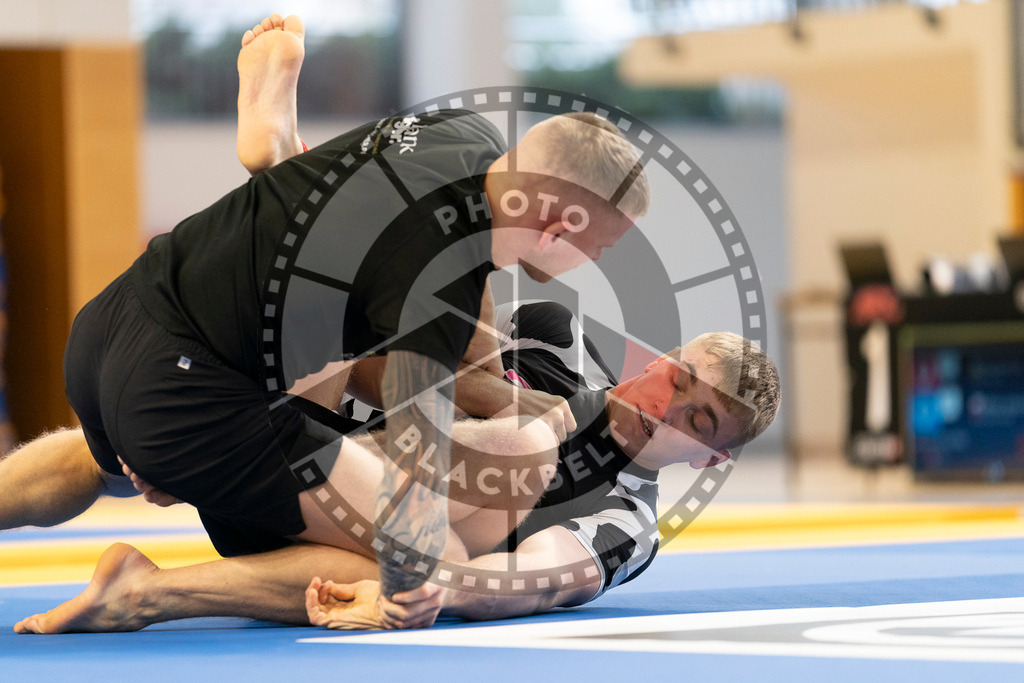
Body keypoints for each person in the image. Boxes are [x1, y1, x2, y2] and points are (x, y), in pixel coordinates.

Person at [1, 12, 649, 624]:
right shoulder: (436, 287)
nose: (595, 260)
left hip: (113, 319)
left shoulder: (465, 134)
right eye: (599, 246)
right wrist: (406, 596)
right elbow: (412, 473)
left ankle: (281, 150)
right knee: (431, 553)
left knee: (113, 453)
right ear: (556, 227)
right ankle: (140, 591)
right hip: (181, 391)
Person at [11, 297, 780, 633]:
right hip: (309, 440)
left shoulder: (627, 520)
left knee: (418, 557)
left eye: (696, 418)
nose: (664, 403)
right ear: (664, 356)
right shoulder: (557, 340)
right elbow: (405, 346)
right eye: (678, 376)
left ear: (709, 454)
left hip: (324, 547)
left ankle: (150, 591)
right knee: (101, 451)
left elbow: (539, 578)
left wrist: (417, 594)